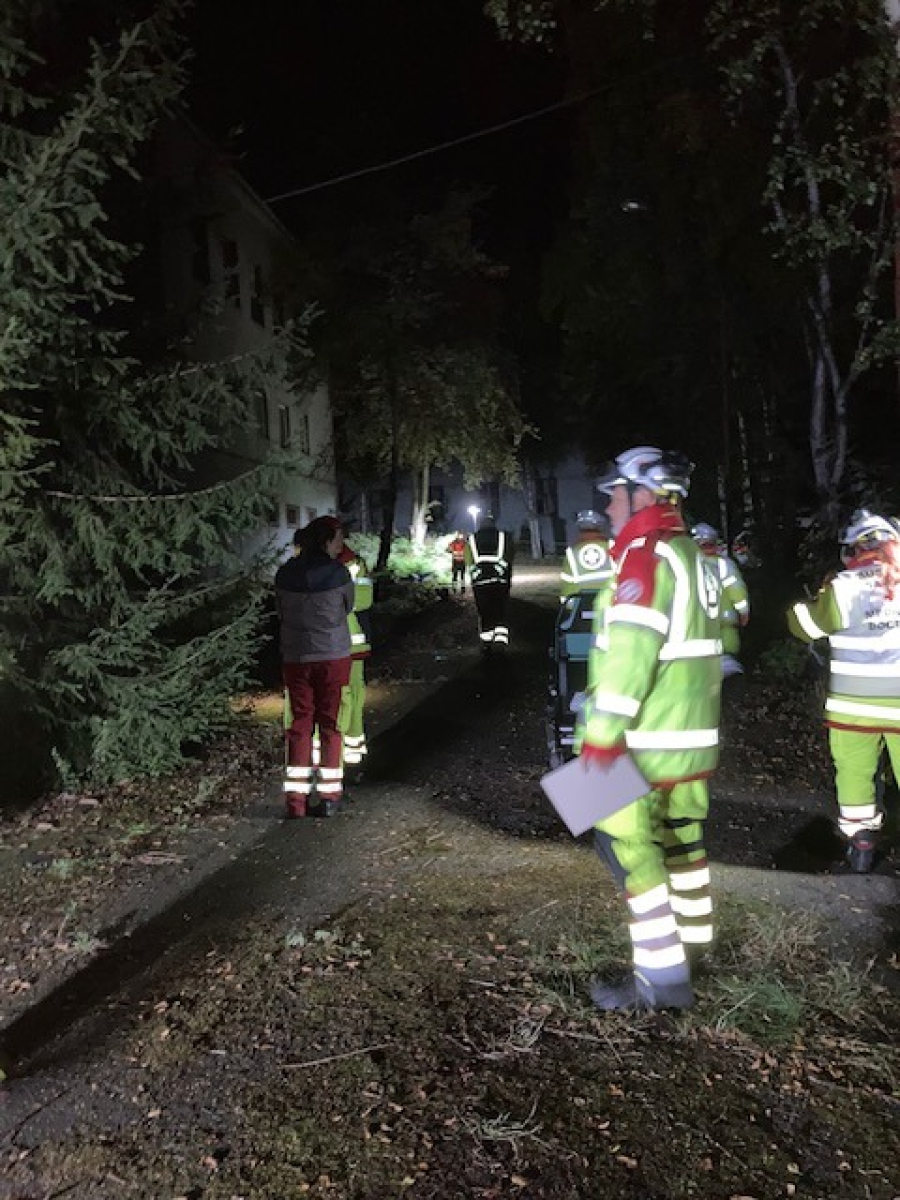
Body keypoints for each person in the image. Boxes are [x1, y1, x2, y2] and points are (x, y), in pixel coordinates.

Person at [577, 446, 723, 1011]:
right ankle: (695, 948)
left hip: (642, 741)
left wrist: (599, 738)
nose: (608, 507)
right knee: (682, 841)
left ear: (643, 494)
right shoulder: (690, 552)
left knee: (628, 849)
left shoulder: (645, 555)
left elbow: (631, 656)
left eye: (615, 494)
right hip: (689, 737)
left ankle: (661, 984)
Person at [788, 509, 900, 872]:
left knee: (854, 772)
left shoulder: (842, 587)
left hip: (853, 706)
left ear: (853, 548)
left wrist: (804, 604)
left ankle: (862, 844)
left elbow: (806, 627)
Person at [275, 516, 354, 818]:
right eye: (338, 539)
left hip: (296, 658)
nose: (341, 545)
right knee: (331, 725)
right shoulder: (339, 573)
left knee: (300, 725)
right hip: (333, 656)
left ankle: (296, 802)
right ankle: (329, 797)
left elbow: (280, 611)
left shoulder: (285, 573)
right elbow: (348, 607)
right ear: (327, 541)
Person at [336, 528, 374, 776]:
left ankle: (349, 755)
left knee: (351, 698)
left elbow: (364, 599)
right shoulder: (352, 565)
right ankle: (343, 755)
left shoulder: (354, 565)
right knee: (343, 699)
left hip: (350, 645)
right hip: (340, 645)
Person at [691, 522, 750, 678]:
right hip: (725, 626)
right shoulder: (724, 564)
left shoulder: (689, 566)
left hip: (700, 628)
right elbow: (737, 590)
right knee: (728, 664)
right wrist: (744, 611)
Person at [465, 512, 514, 651]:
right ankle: (501, 641)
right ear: (493, 524)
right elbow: (509, 556)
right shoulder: (503, 537)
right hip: (500, 581)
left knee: (485, 611)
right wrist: (505, 576)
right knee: (500, 610)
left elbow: (468, 559)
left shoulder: (472, 539)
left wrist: (474, 574)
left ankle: (487, 643)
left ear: (480, 524)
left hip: (480, 582)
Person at [559, 510, 615, 602]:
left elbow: (567, 587)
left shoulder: (571, 553)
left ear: (579, 529)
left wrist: (569, 606)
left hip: (581, 605)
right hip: (610, 603)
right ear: (601, 528)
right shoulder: (613, 547)